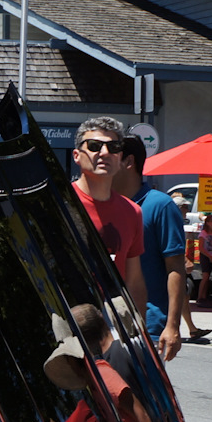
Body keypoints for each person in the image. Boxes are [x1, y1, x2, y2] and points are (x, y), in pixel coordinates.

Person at [113, 136, 204, 358]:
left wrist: (173, 325)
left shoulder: (160, 206)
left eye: (111, 156)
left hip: (148, 327)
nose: (102, 163)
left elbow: (176, 268)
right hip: (108, 326)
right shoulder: (107, 205)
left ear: (129, 162)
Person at [69, 117, 148, 316]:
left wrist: (141, 331)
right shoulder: (61, 204)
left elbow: (134, 281)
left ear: (120, 157)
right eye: (94, 146)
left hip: (113, 324)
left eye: (113, 147)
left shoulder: (132, 212)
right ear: (77, 155)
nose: (105, 153)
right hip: (67, 322)